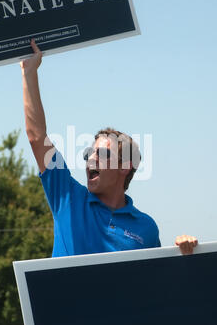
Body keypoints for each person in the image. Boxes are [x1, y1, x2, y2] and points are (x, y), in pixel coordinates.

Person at [21, 40, 198, 257]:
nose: (90, 159)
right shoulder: (68, 197)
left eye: (102, 154)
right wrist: (29, 72)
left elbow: (156, 285)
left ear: (125, 167)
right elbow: (36, 137)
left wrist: (186, 255)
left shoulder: (147, 228)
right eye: (88, 153)